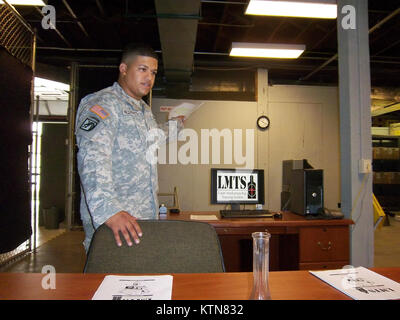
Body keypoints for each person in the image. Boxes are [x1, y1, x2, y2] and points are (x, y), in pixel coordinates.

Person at [75, 44, 183, 252]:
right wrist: (110, 211)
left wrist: (175, 126)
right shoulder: (103, 104)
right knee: (109, 282)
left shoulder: (143, 109)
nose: (149, 78)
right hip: (114, 223)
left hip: (141, 219)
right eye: (142, 69)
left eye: (153, 72)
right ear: (123, 69)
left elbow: (149, 138)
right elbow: (92, 160)